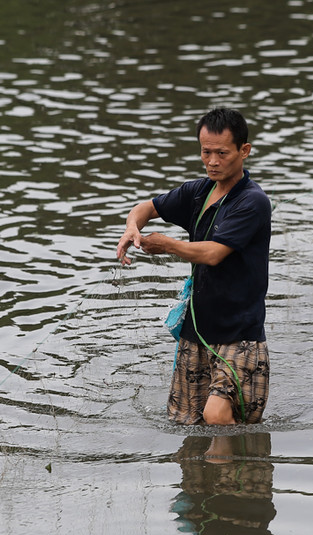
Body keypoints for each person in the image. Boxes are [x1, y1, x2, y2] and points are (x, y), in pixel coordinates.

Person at [115, 107, 271, 425]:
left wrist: (168, 245)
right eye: (206, 151)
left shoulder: (252, 202)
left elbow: (214, 253)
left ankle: (243, 470)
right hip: (196, 330)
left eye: (222, 153)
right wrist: (132, 227)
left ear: (244, 151)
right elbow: (145, 207)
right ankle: (206, 474)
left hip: (238, 334)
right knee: (185, 423)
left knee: (216, 415)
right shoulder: (197, 192)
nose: (212, 161)